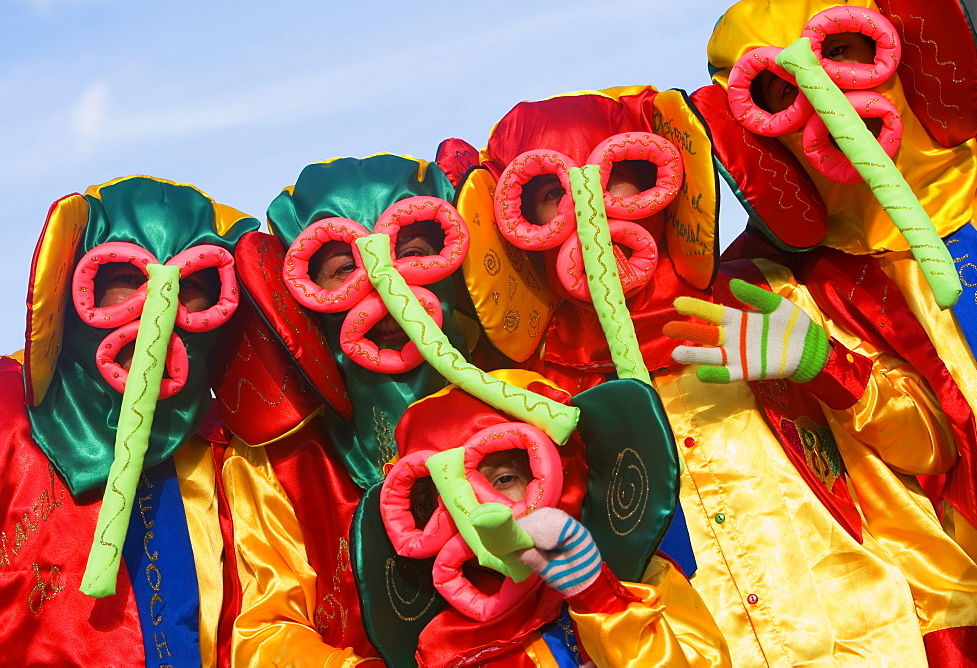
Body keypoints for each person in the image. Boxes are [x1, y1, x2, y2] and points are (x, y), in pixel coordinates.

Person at [455, 86, 977, 665]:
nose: (589, 207)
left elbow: (929, 448)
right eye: (554, 192)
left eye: (616, 175)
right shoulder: (528, 402)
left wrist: (829, 366)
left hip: (874, 644)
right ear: (518, 223)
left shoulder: (762, 296)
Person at [695, 0, 977, 568]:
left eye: (841, 52)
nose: (827, 94)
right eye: (782, 91)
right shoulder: (779, 285)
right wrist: (829, 368)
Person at [0, 175, 258, 666]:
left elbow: (259, 630)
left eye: (190, 285)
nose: (158, 309)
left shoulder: (232, 448)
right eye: (126, 279)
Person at [212, 154, 476, 665]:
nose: (386, 292)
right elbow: (265, 633)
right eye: (342, 270)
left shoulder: (520, 399)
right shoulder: (274, 461)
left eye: (414, 253)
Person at [378, 372, 731, 667]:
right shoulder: (450, 648)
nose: (479, 511)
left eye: (503, 480)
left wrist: (599, 597)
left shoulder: (642, 580)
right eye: (450, 498)